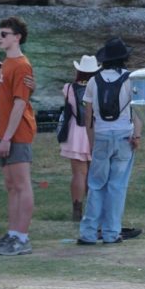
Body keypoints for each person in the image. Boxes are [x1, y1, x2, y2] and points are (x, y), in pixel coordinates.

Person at [78, 37, 141, 246]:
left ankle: (88, 232)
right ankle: (111, 233)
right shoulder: (131, 78)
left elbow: (88, 116)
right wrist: (137, 135)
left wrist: (91, 140)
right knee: (117, 186)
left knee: (96, 185)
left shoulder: (94, 81)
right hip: (125, 134)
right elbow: (137, 109)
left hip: (102, 136)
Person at [0, 16, 37, 256]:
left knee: (21, 184)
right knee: (11, 185)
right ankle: (12, 233)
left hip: (17, 132)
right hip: (5, 131)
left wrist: (7, 137)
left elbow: (20, 104)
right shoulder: (6, 64)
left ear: (17, 37)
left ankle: (22, 237)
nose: (0, 37)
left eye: (4, 34)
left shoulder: (21, 65)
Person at [61, 54, 97, 222]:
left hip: (76, 133)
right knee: (93, 174)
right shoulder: (97, 87)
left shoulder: (68, 88)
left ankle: (77, 210)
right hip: (94, 130)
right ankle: (92, 209)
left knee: (78, 174)